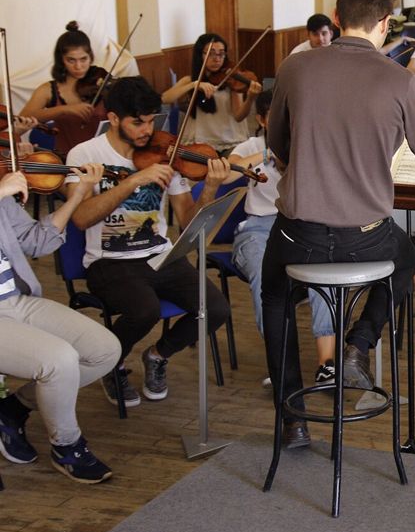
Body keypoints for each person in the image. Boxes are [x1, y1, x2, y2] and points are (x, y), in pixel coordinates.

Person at [262, 0, 415, 448]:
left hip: (299, 236)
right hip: (366, 236)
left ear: (335, 18)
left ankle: (293, 420)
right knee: (405, 256)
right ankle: (359, 345)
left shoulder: (296, 68)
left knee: (274, 298)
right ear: (386, 22)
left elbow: (276, 143)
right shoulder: (401, 82)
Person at [65, 76, 233, 409]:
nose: (147, 130)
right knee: (145, 311)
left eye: (151, 121)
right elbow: (81, 218)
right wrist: (134, 181)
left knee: (216, 309)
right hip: (107, 261)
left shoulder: (165, 154)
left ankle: (157, 355)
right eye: (137, 122)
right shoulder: (85, 153)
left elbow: (187, 222)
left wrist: (210, 188)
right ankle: (110, 363)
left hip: (159, 254)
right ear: (113, 119)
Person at [0, 162, 120, 484]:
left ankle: (12, 407)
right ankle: (66, 446)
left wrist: (76, 196)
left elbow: (37, 242)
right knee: (59, 360)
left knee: (105, 350)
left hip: (16, 300)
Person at [227, 90, 337, 388]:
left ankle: (326, 364)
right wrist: (266, 154)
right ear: (262, 121)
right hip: (258, 228)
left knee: (323, 273)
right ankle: (282, 365)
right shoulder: (251, 145)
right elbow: (228, 172)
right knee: (264, 277)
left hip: (300, 225)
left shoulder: (308, 141)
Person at [162, 33, 263, 154]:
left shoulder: (232, 80)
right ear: (200, 55)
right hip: (201, 141)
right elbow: (165, 98)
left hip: (230, 141)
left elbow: (239, 116)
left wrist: (250, 98)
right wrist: (194, 85)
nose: (217, 59)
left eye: (221, 53)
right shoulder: (191, 80)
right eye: (211, 53)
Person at [21, 22, 108, 156]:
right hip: (67, 158)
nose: (78, 66)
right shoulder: (48, 89)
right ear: (61, 60)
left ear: (91, 56)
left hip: (104, 155)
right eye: (71, 60)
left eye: (83, 59)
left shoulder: (102, 81)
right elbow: (24, 117)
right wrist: (65, 109)